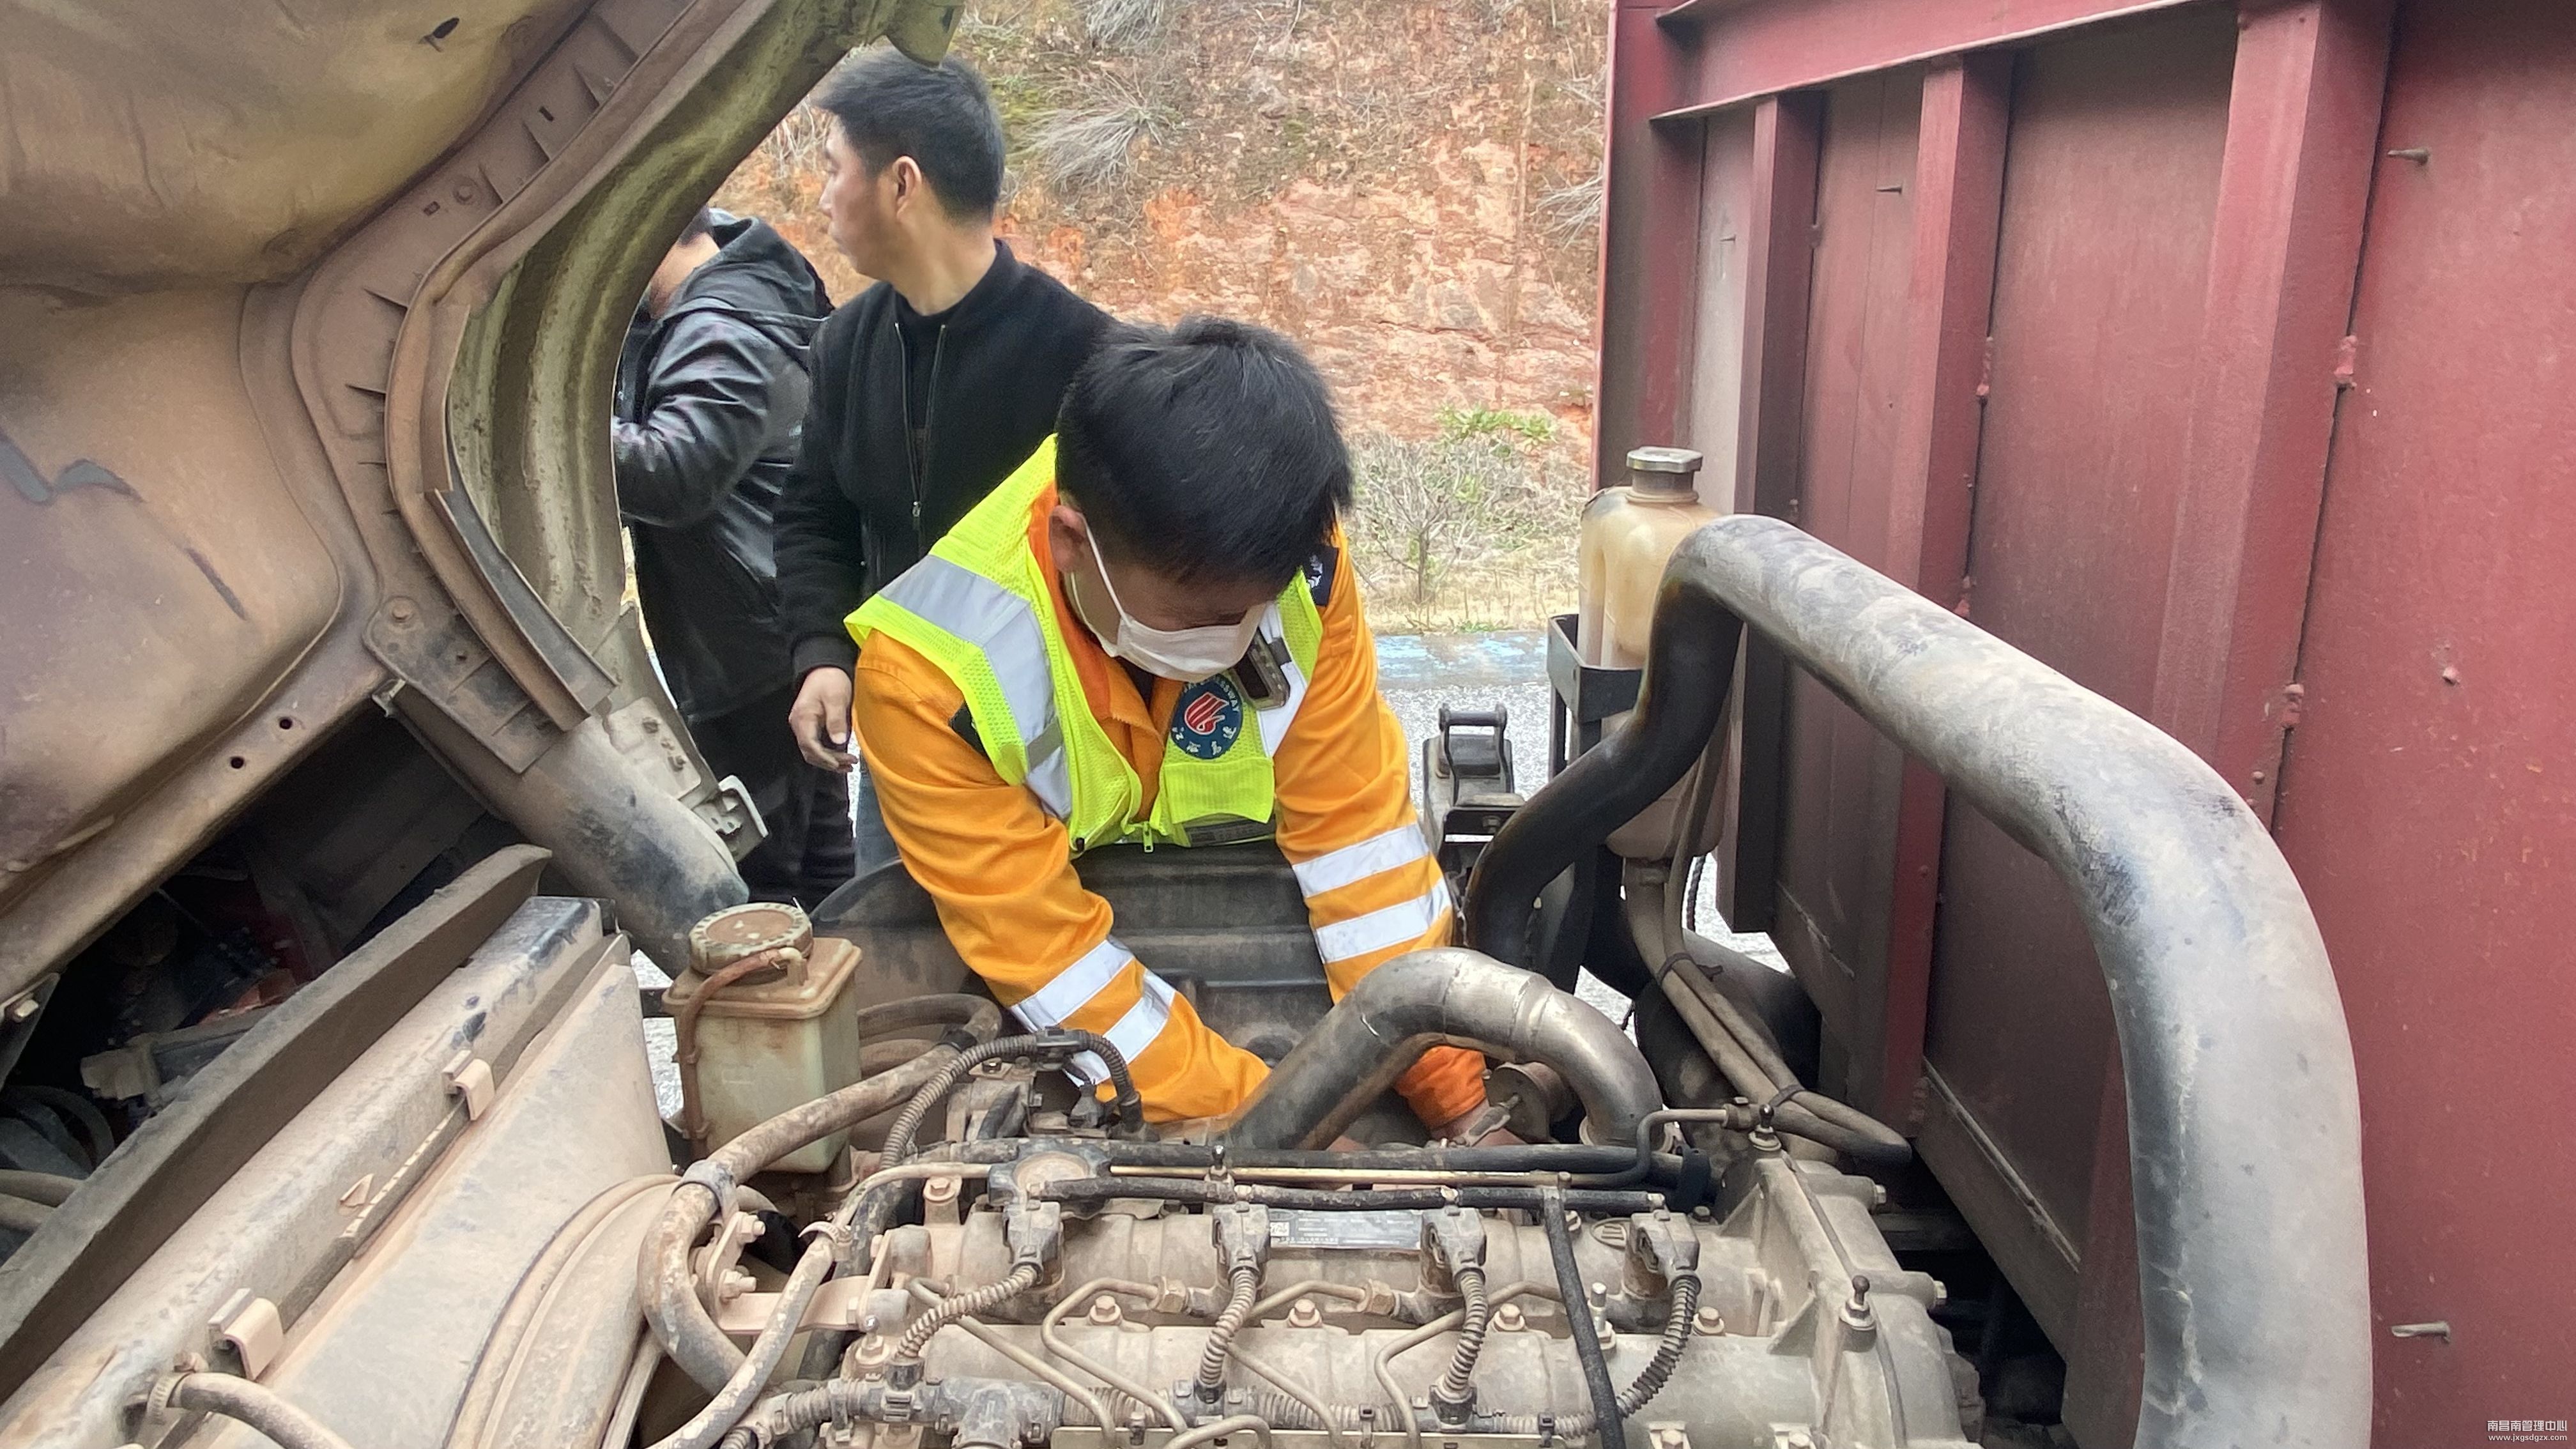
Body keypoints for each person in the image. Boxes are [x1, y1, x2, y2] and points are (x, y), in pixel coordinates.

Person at [847, 318, 1512, 1140]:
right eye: (1200, 619)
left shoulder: (1295, 563)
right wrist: (1285, 1126)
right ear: (1070, 543)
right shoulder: (929, 684)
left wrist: (1462, 1104)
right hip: (1085, 973)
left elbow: (1357, 842)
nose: (1236, 636)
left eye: (1252, 611)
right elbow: (1054, 963)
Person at [774, 47, 1112, 869]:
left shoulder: (1085, 356)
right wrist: (823, 655)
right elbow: (814, 518)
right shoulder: (846, 346)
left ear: (902, 184)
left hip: (1049, 758)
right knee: (900, 949)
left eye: (835, 170)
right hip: (903, 756)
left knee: (1052, 941)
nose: (822, 197)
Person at [613, 206, 852, 905]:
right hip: (766, 631)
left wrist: (554, 421)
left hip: (752, 648)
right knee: (817, 861)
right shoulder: (703, 310)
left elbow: (674, 472)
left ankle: (827, 972)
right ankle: (857, 968)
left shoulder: (721, 329)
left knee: (764, 878)